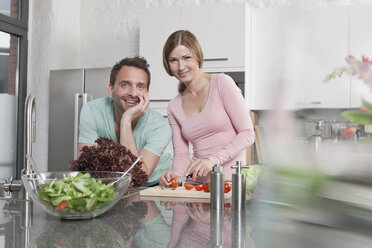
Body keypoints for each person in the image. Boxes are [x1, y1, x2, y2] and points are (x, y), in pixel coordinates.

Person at [159, 30, 255, 186]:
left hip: (229, 185)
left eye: (186, 58)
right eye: (173, 60)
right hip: (197, 186)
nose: (181, 66)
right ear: (168, 65)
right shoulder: (173, 107)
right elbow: (182, 155)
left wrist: (212, 160)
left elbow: (248, 134)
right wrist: (174, 179)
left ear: (198, 57)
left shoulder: (222, 83)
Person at [78, 56, 172, 186]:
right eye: (125, 85)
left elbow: (136, 177)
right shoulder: (92, 111)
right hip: (116, 185)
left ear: (147, 92)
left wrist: (126, 120)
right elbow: (86, 168)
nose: (133, 93)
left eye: (140, 87)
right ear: (111, 89)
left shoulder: (160, 126)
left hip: (154, 186)